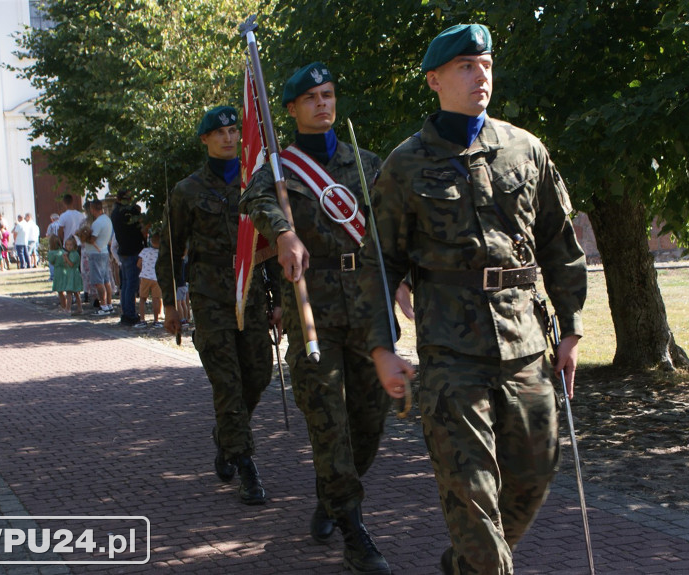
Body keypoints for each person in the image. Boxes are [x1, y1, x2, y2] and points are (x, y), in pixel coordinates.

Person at [355, 24, 588, 575]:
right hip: (451, 356)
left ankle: (465, 563)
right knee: (472, 498)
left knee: (532, 478)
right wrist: (382, 349)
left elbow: (560, 243)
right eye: (465, 65)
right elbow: (379, 262)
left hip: (527, 346)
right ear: (434, 80)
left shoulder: (524, 149)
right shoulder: (405, 164)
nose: (479, 74)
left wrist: (571, 328)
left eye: (485, 64)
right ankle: (481, 561)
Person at [240, 62, 393, 575]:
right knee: (328, 424)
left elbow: (389, 227)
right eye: (311, 98)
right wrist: (284, 232)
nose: (323, 104)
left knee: (370, 421)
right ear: (292, 109)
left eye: (328, 94)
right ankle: (354, 531)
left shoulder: (367, 163)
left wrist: (405, 277)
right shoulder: (279, 170)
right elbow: (255, 199)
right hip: (313, 311)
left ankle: (331, 495)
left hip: (368, 308)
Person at [158, 105, 282, 505]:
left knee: (259, 374)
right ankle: (246, 465)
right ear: (205, 140)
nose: (230, 137)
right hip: (210, 297)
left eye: (234, 130)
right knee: (227, 383)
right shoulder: (187, 190)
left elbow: (274, 245)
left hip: (252, 295)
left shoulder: (257, 183)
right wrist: (171, 305)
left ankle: (226, 434)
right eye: (221, 132)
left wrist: (280, 300)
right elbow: (170, 251)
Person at [111, 191, 146, 326]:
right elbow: (141, 228)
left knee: (125, 284)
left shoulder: (115, 213)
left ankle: (126, 312)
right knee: (131, 284)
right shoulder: (131, 211)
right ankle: (130, 314)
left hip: (123, 250)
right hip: (133, 250)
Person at [85, 199, 115, 316]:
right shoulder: (107, 219)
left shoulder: (97, 223)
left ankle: (103, 305)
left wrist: (82, 236)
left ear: (93, 209)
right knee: (106, 280)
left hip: (95, 253)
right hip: (103, 251)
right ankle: (109, 304)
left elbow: (92, 239)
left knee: (99, 281)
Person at [135, 234, 162, 328]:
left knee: (142, 298)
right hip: (156, 278)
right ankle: (156, 320)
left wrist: (145, 269)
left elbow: (138, 264)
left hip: (145, 277)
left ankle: (142, 319)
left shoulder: (145, 250)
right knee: (156, 299)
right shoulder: (161, 253)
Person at [59, 236, 85, 315]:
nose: (69, 247)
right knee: (75, 292)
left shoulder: (74, 254)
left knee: (70, 292)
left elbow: (71, 264)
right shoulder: (70, 254)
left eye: (71, 245)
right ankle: (79, 308)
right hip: (70, 274)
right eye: (67, 245)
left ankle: (68, 308)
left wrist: (66, 258)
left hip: (73, 274)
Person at [47, 236, 68, 311]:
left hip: (58, 271)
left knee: (60, 290)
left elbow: (51, 262)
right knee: (67, 289)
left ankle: (63, 305)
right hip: (66, 270)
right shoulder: (63, 252)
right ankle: (67, 305)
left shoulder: (52, 253)